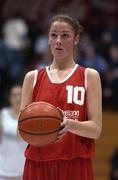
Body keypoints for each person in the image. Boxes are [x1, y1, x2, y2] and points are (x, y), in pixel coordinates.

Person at [19, 14, 102, 180]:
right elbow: (21, 128)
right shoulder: (32, 77)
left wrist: (69, 125)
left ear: (76, 39)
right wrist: (37, 126)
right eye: (53, 35)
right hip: (38, 163)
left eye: (65, 35)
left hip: (76, 163)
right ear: (48, 39)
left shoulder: (89, 75)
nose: (58, 40)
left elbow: (96, 130)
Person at [0, 85, 27, 180]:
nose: (18, 98)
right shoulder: (3, 115)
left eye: (20, 94)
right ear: (9, 98)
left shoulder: (31, 116)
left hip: (23, 172)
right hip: (3, 172)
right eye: (14, 95)